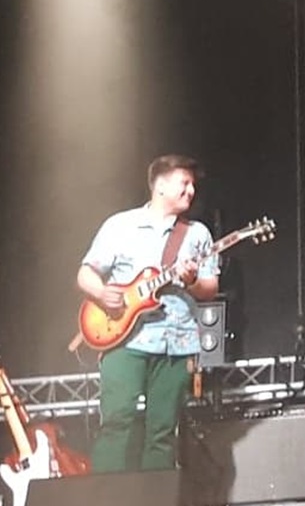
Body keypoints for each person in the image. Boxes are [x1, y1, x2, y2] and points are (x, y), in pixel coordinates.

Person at [77, 155, 219, 472]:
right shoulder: (120, 226)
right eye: (184, 183)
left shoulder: (197, 234)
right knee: (116, 422)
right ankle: (108, 493)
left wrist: (191, 280)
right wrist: (102, 292)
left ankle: (157, 494)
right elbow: (85, 274)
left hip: (177, 342)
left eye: (193, 184)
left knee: (163, 431)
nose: (191, 190)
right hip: (125, 340)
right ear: (161, 186)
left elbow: (209, 288)